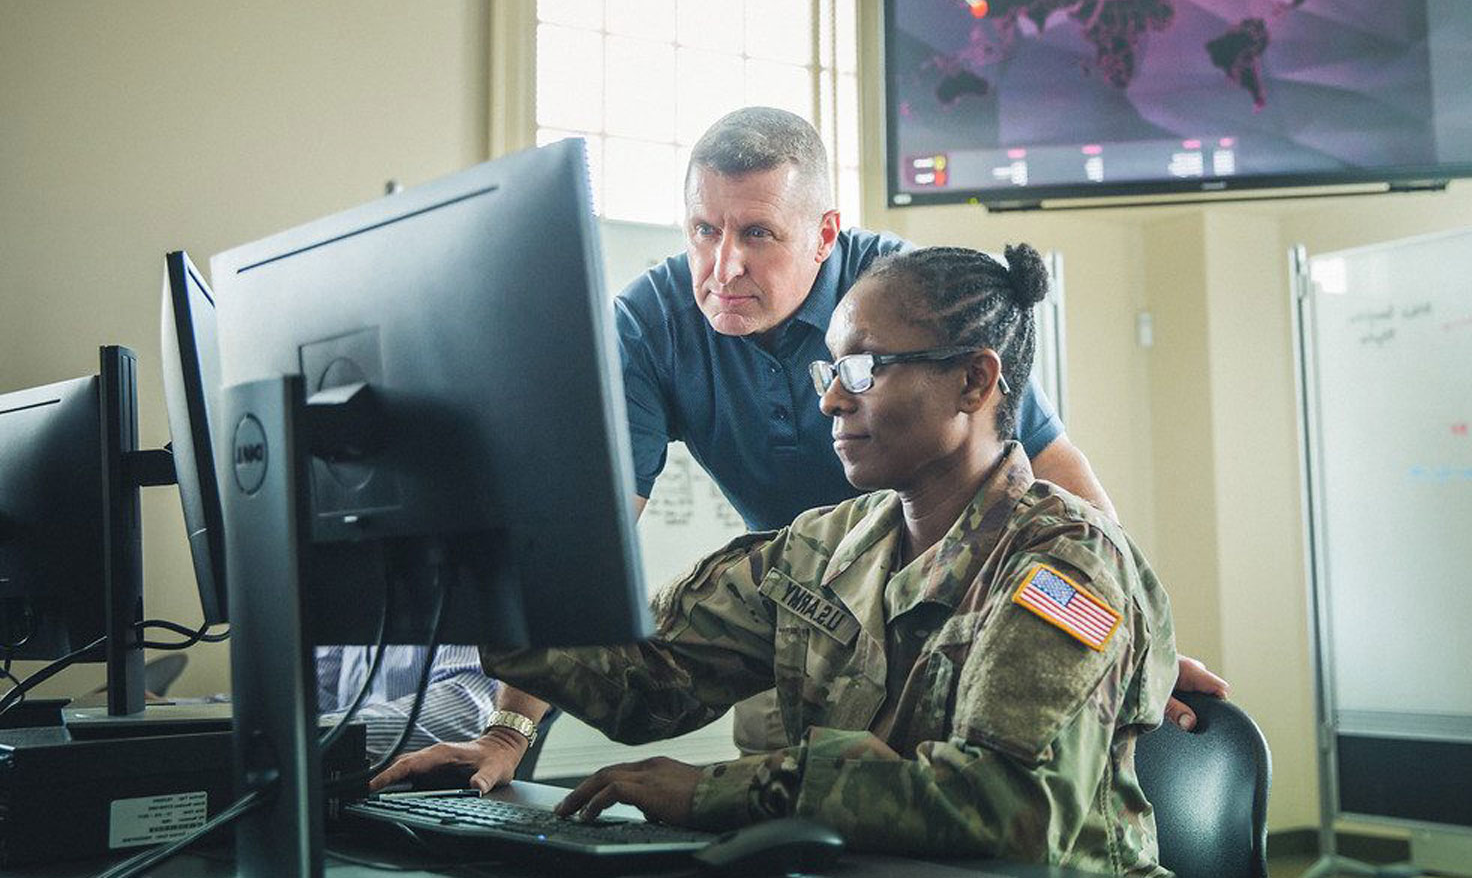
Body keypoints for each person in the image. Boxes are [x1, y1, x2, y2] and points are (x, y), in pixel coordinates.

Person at [371, 106, 1226, 793]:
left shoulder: (912, 305)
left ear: (825, 235)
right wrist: (487, 648)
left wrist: (1126, 633)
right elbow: (603, 591)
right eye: (703, 231)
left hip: (978, 634)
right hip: (819, 628)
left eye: (757, 235)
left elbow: (994, 803)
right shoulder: (795, 536)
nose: (722, 266)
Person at [489, 244, 1176, 875]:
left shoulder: (1065, 568)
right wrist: (472, 595)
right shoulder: (822, 547)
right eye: (831, 368)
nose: (830, 399)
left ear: (973, 380)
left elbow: (1006, 808)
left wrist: (716, 790)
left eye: (864, 369)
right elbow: (646, 675)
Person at [315, 645, 499, 761]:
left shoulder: (454, 587)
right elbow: (316, 691)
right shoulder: (355, 592)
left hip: (426, 792)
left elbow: (467, 709)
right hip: (348, 785)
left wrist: (328, 735)